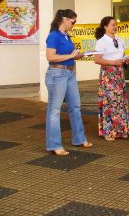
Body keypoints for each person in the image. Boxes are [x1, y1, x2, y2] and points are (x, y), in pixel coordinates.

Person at [44, 9, 92, 156]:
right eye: (73, 21)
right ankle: (54, 145)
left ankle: (79, 139)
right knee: (54, 110)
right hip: (57, 74)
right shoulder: (53, 35)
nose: (74, 24)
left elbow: (68, 56)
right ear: (64, 19)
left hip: (69, 72)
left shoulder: (66, 36)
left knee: (75, 107)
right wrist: (70, 55)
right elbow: (50, 57)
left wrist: (77, 56)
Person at [94, 16, 129, 141]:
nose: (115, 27)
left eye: (116, 25)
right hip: (108, 75)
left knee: (120, 101)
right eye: (112, 25)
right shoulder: (101, 41)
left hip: (119, 73)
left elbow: (122, 55)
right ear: (105, 26)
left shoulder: (120, 40)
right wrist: (113, 62)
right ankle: (109, 131)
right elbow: (97, 59)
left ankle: (121, 130)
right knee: (110, 102)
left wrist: (126, 60)